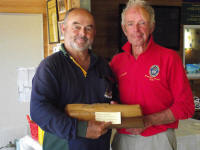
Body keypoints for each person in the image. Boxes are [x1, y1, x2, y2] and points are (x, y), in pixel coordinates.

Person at [110, 0, 195, 150]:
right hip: (123, 139)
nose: (136, 29)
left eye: (142, 22)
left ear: (152, 27)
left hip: (158, 139)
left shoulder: (169, 58)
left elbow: (186, 106)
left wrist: (148, 121)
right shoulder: (116, 62)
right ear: (124, 29)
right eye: (130, 24)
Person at [30, 8, 117, 150]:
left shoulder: (103, 65)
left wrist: (116, 107)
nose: (83, 33)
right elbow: (38, 110)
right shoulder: (50, 66)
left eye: (89, 28)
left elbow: (113, 98)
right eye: (76, 27)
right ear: (63, 29)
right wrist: (81, 129)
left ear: (94, 33)